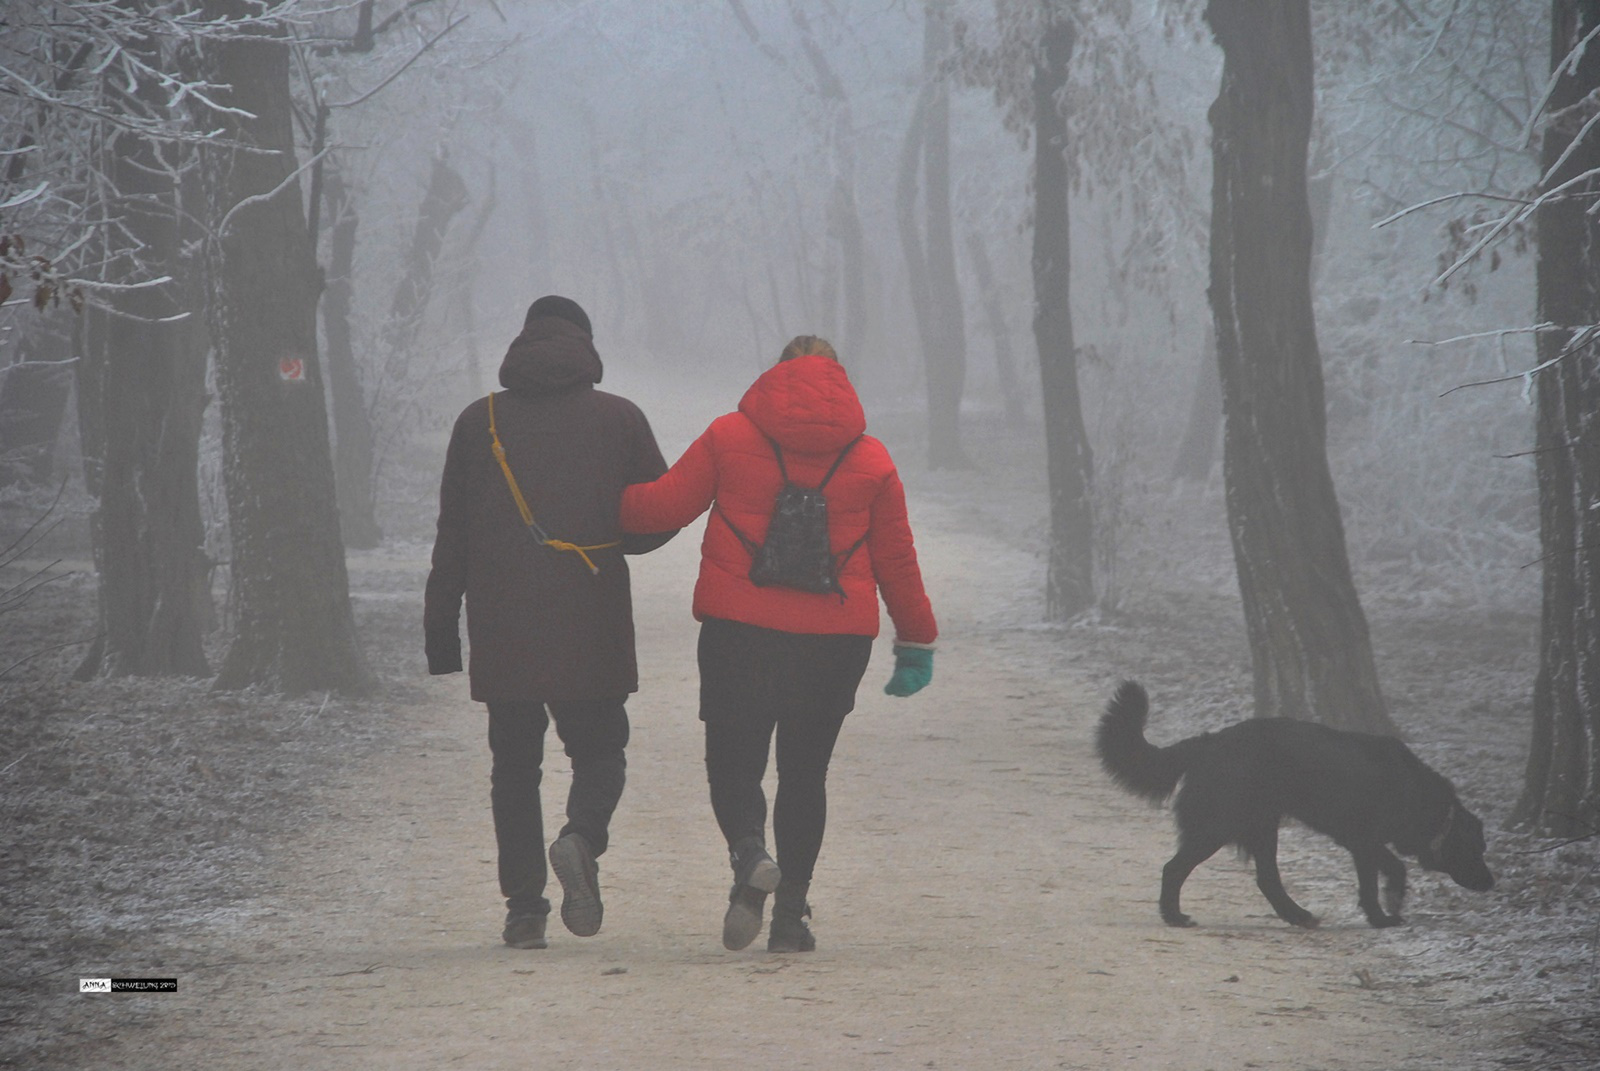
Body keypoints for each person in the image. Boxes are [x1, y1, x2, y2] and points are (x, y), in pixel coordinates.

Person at [619, 335, 937, 953]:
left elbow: (660, 509)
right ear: (839, 379)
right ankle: (790, 917)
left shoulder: (729, 436)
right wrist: (917, 640)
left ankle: (748, 854)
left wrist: (586, 497)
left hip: (741, 633)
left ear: (778, 373)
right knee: (805, 774)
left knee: (734, 763)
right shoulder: (872, 460)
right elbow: (897, 560)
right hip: (835, 643)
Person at [424, 295, 674, 949]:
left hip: (503, 624)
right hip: (588, 618)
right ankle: (580, 837)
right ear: (584, 346)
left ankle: (525, 909)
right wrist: (611, 542)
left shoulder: (479, 422)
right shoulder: (620, 418)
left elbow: (454, 531)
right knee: (600, 750)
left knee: (513, 766)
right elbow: (658, 515)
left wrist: (441, 633)